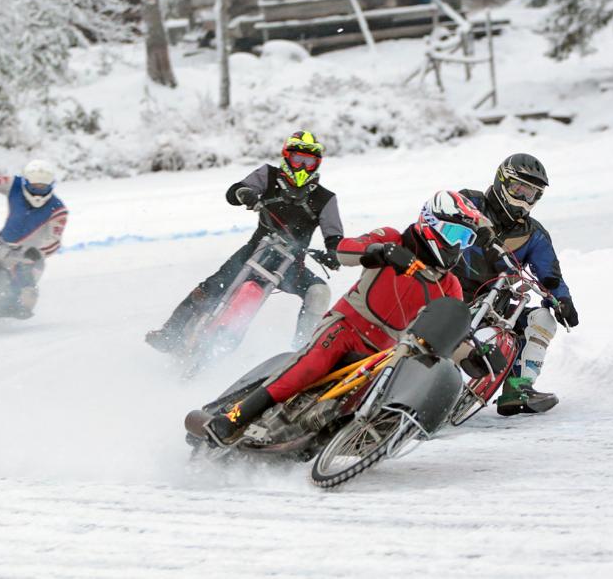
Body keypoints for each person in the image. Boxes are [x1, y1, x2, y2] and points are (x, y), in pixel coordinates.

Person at [202, 190, 488, 446]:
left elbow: (448, 330)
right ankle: (235, 418)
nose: (458, 245)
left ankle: (315, 446)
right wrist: (380, 252)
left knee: (359, 406)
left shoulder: (449, 284)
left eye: (466, 239)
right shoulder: (393, 238)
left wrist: (470, 357)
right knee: (309, 369)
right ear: (430, 224)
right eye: (454, 235)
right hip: (347, 326)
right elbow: (344, 250)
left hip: (383, 353)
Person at [146, 131, 344, 351]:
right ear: (287, 157)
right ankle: (170, 333)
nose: (302, 166)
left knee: (319, 292)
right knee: (212, 287)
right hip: (256, 251)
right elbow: (234, 192)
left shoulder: (325, 198)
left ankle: (302, 351)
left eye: (309, 161)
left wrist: (335, 254)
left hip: (292, 264)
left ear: (317, 163)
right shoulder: (268, 175)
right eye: (298, 159)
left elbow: (335, 238)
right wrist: (245, 193)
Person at [457, 153, 579, 417]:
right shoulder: (468, 201)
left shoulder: (533, 234)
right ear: (502, 181)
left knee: (541, 320)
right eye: (519, 189)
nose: (524, 199)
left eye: (533, 194)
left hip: (491, 307)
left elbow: (550, 276)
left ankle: (517, 388)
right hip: (442, 291)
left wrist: (563, 300)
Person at [0, 159, 67, 318]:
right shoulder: (14, 184)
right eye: (34, 187)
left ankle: (15, 308)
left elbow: (54, 240)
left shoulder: (58, 210)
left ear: (51, 186)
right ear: (26, 182)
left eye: (43, 187)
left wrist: (37, 252)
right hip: (0, 245)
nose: (38, 192)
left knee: (25, 289)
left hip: (28, 257)